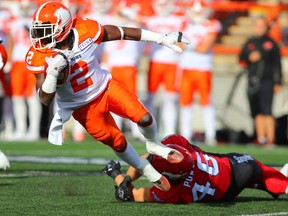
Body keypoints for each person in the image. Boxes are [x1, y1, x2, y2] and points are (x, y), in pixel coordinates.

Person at [25, 1, 189, 191]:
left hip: (106, 87)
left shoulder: (85, 29)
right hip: (81, 108)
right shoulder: (38, 54)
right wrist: (52, 75)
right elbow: (45, 100)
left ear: (64, 27)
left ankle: (153, 144)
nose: (39, 36)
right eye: (38, 29)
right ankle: (148, 171)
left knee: (144, 118)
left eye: (47, 29)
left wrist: (160, 38)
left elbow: (121, 32)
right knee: (118, 142)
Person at [104, 134, 288, 203]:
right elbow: (147, 159)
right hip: (237, 163)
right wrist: (126, 178)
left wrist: (118, 176)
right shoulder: (181, 145)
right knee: (274, 180)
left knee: (271, 182)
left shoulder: (173, 191)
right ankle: (277, 181)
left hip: (227, 191)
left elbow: (133, 195)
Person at [179, 0, 221, 146]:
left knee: (206, 102)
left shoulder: (212, 24)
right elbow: (178, 44)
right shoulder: (184, 24)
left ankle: (211, 135)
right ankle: (185, 135)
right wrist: (194, 45)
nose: (197, 15)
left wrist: (188, 45)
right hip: (186, 68)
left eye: (199, 12)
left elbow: (205, 47)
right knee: (185, 103)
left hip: (203, 68)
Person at [142, 0, 186, 137]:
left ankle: (169, 132)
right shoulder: (150, 19)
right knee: (150, 98)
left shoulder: (179, 18)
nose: (163, 7)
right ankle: (149, 131)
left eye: (166, 4)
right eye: (161, 4)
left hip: (173, 63)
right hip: (154, 62)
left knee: (170, 98)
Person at [239, 16, 282, 146]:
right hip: (253, 81)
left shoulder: (271, 43)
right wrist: (249, 58)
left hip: (267, 81)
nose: (259, 29)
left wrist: (278, 82)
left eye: (261, 26)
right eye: (257, 26)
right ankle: (260, 137)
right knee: (256, 110)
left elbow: (277, 64)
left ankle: (270, 138)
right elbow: (241, 58)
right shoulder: (250, 42)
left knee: (267, 110)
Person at [7, 0, 42, 141]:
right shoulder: (13, 22)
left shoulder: (37, 21)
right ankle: (21, 128)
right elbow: (11, 42)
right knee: (17, 97)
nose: (25, 9)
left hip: (32, 61)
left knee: (33, 97)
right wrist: (8, 61)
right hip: (17, 62)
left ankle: (34, 129)